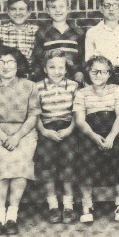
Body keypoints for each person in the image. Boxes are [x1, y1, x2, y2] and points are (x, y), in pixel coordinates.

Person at [0, 46, 41, 236]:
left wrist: (17, 137)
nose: (6, 66)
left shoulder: (30, 86)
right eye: (1, 62)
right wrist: (4, 137)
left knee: (21, 163)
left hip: (24, 133)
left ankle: (12, 216)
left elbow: (33, 117)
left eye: (11, 62)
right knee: (1, 163)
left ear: (18, 64)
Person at [74, 56, 119, 222]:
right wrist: (93, 137)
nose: (98, 75)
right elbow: (80, 120)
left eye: (103, 72)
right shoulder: (82, 93)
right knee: (85, 157)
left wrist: (112, 137)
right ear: (88, 72)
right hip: (90, 130)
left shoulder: (116, 89)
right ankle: (87, 205)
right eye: (94, 71)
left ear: (109, 74)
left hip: (113, 128)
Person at [34, 50, 79, 224]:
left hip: (68, 126)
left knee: (68, 159)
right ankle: (52, 205)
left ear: (66, 69)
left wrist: (69, 129)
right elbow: (35, 113)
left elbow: (77, 112)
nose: (57, 71)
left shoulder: (73, 86)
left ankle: (68, 206)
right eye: (52, 67)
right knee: (47, 160)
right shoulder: (37, 87)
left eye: (61, 67)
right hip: (46, 127)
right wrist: (44, 131)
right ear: (45, 69)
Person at [32, 0, 85, 84]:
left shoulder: (78, 33)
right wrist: (41, 78)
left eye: (61, 6)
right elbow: (37, 59)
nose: (58, 10)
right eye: (53, 7)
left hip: (73, 81)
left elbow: (83, 58)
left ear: (68, 9)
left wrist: (80, 72)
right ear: (47, 10)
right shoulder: (42, 33)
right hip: (49, 81)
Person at [0, 0, 39, 79]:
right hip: (6, 78)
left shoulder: (36, 31)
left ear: (29, 12)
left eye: (21, 9)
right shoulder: (0, 31)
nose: (17, 13)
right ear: (8, 12)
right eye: (13, 9)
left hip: (29, 79)